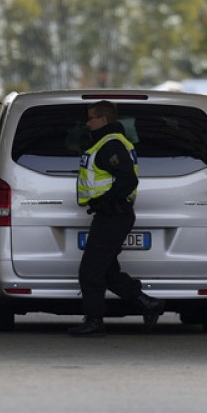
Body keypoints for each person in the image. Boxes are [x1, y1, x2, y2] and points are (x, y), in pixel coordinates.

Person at [68, 100, 165, 337]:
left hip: (114, 216)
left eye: (91, 118)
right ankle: (148, 304)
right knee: (107, 271)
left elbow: (127, 180)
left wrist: (108, 202)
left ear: (103, 119)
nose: (87, 123)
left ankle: (94, 320)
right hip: (111, 215)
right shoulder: (106, 142)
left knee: (90, 271)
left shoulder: (111, 145)